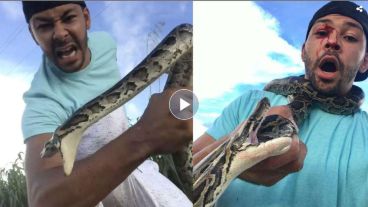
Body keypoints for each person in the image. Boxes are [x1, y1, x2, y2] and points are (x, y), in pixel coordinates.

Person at [194, 1, 368, 206]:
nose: (332, 41)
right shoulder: (251, 102)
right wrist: (236, 144)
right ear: (303, 51)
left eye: (350, 37)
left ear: (365, 61)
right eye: (322, 32)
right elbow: (181, 175)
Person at [21, 1, 192, 207]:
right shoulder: (42, 101)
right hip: (90, 187)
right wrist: (146, 135)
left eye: (68, 18)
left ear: (86, 18)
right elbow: (42, 199)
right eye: (45, 26)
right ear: (32, 34)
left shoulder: (104, 43)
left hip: (139, 170)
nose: (60, 33)